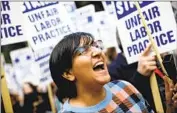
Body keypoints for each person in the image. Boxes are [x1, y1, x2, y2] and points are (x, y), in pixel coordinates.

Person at [49, 32, 154, 112]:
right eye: (83, 50)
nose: (98, 52)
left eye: (96, 46)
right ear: (68, 74)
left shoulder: (124, 87)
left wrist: (169, 106)